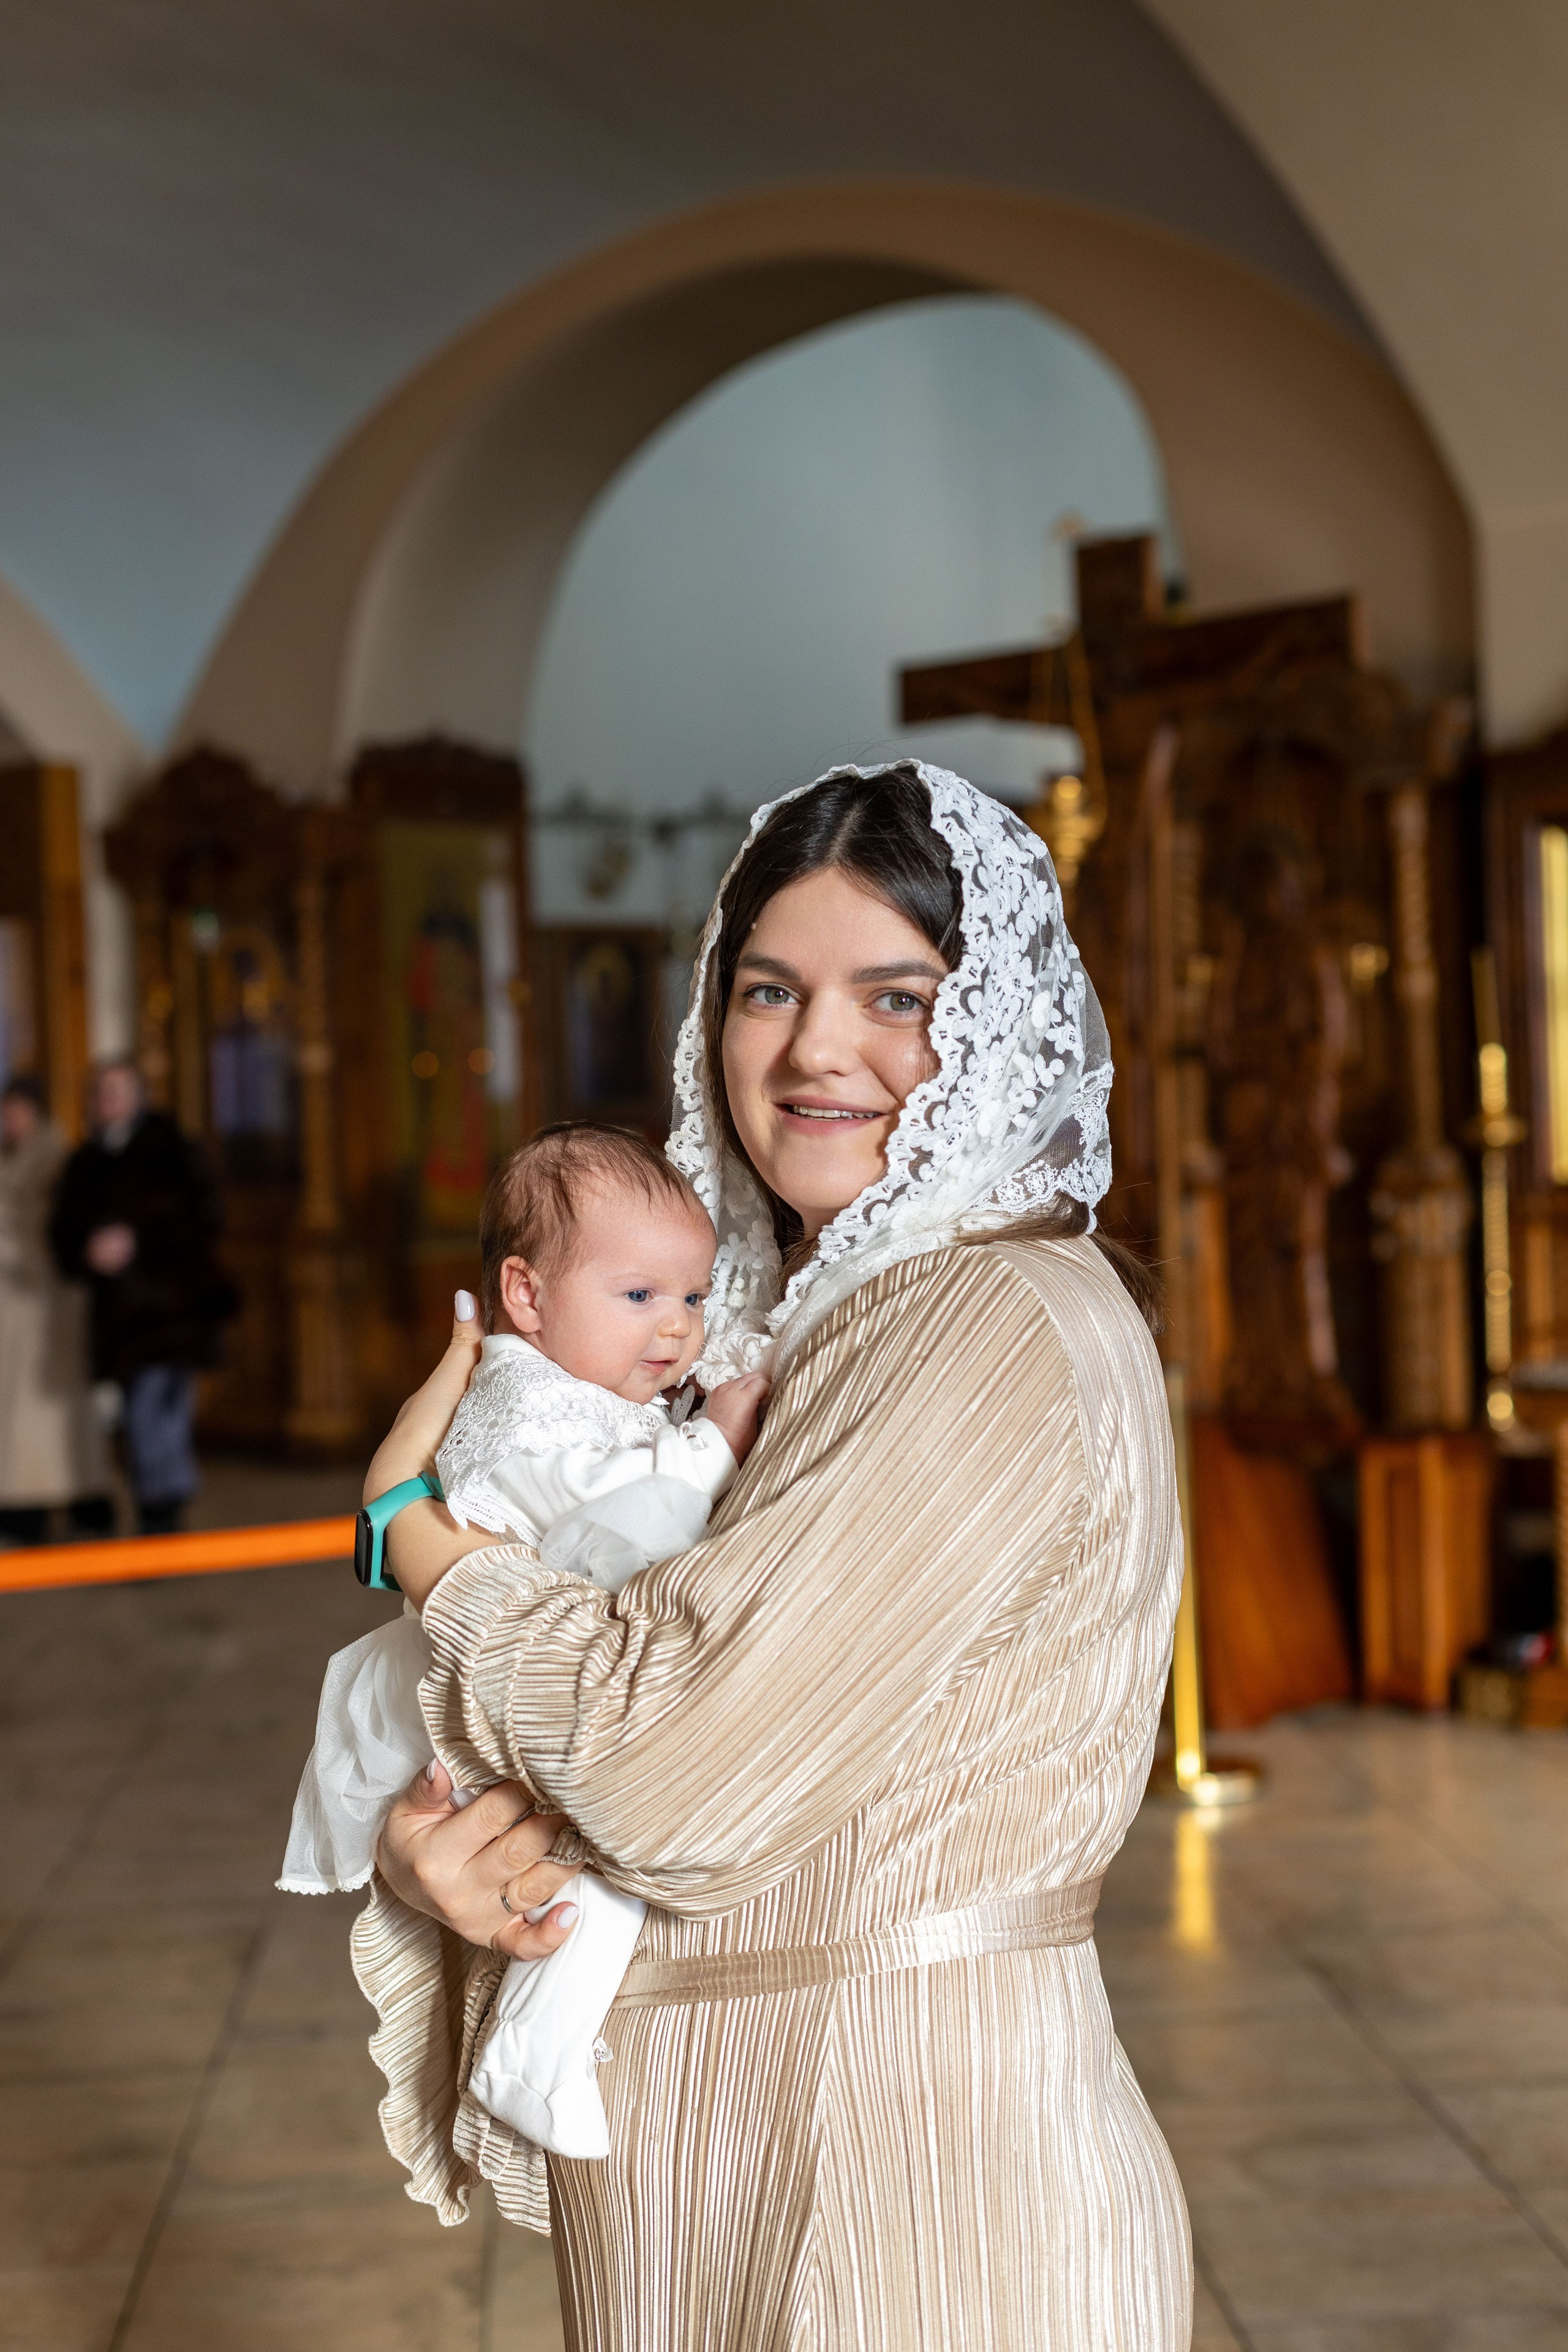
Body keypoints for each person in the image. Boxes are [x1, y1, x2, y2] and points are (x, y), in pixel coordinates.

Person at [360, 763, 1193, 2348]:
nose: (817, 1049)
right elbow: (628, 1758)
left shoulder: (984, 1318)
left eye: (897, 994)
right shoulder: (779, 1324)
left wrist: (425, 1549)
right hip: (738, 2148)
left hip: (899, 2186)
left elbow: (669, 1770)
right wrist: (459, 1860)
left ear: (999, 1028)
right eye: (768, 990)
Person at [279, 1120, 768, 2162]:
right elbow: (626, 1519)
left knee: (604, 1865)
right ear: (527, 1296)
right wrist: (718, 1437)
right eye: (639, 1297)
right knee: (610, 1864)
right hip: (476, 1692)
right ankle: (530, 2057)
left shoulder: (584, 1384)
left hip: (522, 1671)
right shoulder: (524, 1402)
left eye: (693, 1295)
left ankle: (535, 2052)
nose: (677, 1329)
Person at [50, 1058, 235, 1536]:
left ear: (136, 1097)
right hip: (122, 1320)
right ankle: (160, 1512)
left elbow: (205, 1216)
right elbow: (64, 1231)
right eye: (99, 1093)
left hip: (173, 1312)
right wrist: (89, 1249)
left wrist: (137, 1241)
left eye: (116, 1092)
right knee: (142, 1419)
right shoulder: (86, 1161)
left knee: (157, 1417)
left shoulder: (172, 1150)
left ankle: (163, 1514)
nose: (106, 1103)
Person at [0, 1075, 111, 1544]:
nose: (10, 1120)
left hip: (47, 1304)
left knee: (51, 1411)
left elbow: (63, 1227)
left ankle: (68, 1502)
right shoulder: (14, 1159)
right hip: (13, 1305)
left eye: (17, 1109)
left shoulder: (56, 1159)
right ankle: (26, 1504)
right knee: (17, 1414)